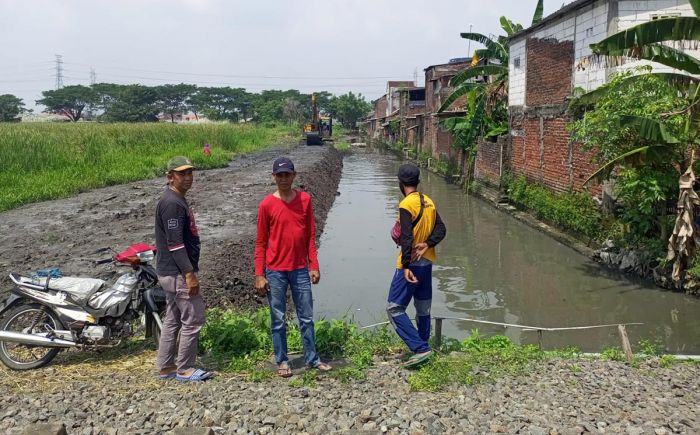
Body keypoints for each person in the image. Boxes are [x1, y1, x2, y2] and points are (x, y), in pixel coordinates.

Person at [254, 156, 332, 377]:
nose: (284, 178)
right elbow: (260, 243)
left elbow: (309, 236)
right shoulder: (266, 205)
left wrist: (313, 265)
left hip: (299, 269)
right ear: (273, 177)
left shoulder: (305, 200)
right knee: (278, 318)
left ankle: (312, 358)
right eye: (280, 175)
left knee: (306, 316)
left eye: (287, 174)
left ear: (294, 175)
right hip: (275, 271)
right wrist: (259, 274)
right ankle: (282, 360)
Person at [154, 156, 212, 382]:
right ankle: (185, 368)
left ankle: (166, 366)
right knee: (193, 318)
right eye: (182, 173)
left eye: (190, 173)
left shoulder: (176, 199)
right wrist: (189, 273)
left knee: (173, 319)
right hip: (177, 273)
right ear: (170, 176)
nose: (188, 178)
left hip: (169, 272)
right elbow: (175, 243)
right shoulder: (172, 204)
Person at [387, 163, 446, 368]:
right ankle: (425, 346)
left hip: (410, 265)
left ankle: (420, 348)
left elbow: (406, 237)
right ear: (418, 182)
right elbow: (442, 230)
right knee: (423, 308)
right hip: (426, 263)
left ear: (401, 183)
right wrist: (428, 244)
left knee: (394, 308)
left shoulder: (406, 204)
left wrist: (405, 266)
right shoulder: (429, 202)